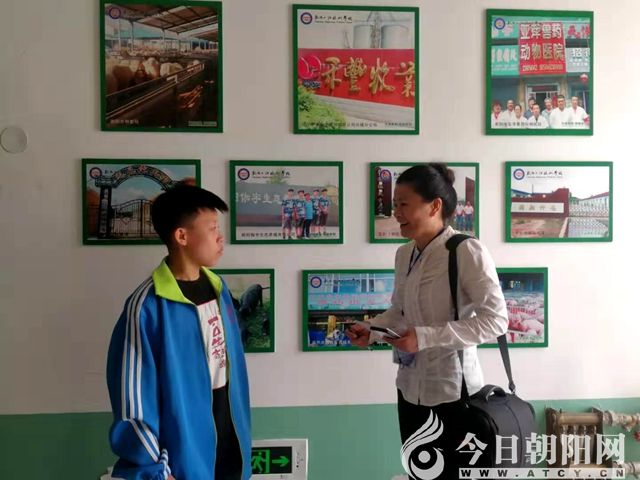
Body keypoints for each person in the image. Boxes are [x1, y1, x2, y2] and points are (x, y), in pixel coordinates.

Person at [346, 164, 508, 480]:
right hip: (409, 391)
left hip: (455, 395)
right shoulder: (404, 254)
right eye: (395, 204)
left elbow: (496, 320)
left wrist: (424, 338)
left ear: (434, 206)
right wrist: (371, 331)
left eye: (404, 204)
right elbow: (399, 311)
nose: (396, 212)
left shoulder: (465, 250)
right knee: (419, 474)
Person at [106, 185, 252, 480]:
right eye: (212, 228)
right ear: (182, 236)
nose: (220, 237)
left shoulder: (219, 289)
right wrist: (153, 469)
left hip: (229, 441)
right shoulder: (147, 307)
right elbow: (132, 400)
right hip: (178, 462)